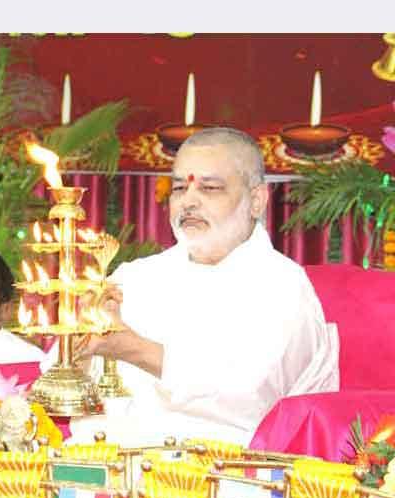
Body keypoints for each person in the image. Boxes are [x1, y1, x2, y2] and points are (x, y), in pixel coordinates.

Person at [71, 127, 339, 447]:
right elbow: (59, 385)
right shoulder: (134, 277)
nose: (189, 202)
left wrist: (132, 348)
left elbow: (248, 397)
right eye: (180, 188)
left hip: (231, 478)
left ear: (256, 200)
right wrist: (76, 352)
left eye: (210, 188)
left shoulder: (282, 288)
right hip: (104, 467)